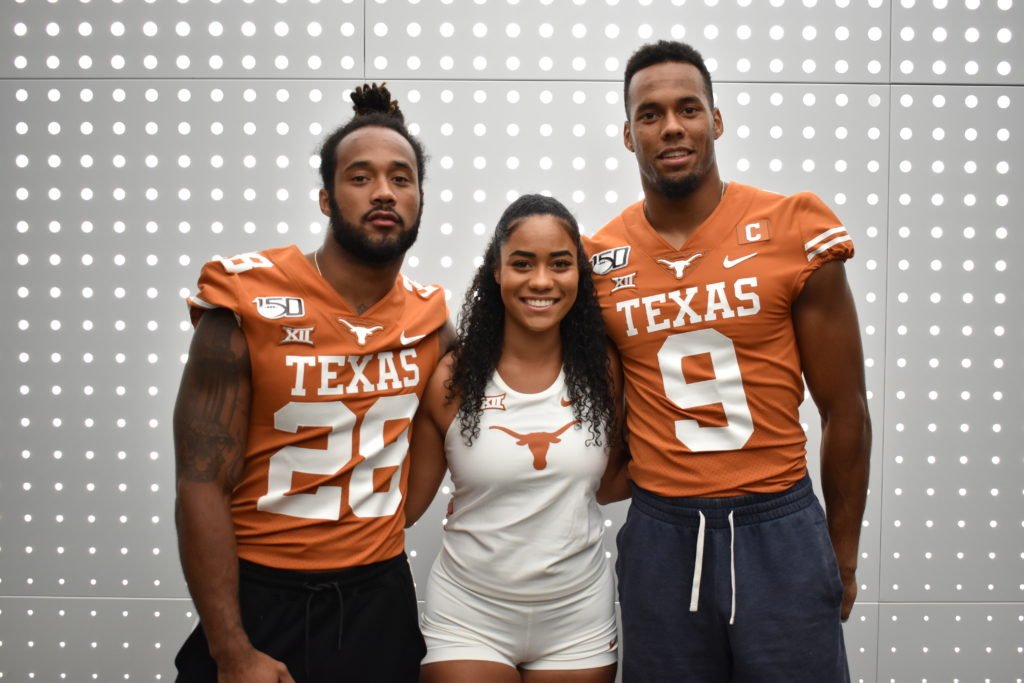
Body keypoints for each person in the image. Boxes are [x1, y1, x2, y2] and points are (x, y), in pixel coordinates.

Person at [586, 41, 872, 682]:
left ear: (716, 119)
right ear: (628, 135)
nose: (672, 127)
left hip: (779, 519)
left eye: (688, 108)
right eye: (650, 114)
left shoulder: (791, 226)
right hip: (663, 528)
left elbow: (845, 407)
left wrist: (842, 555)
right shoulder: (599, 260)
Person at [173, 83, 452, 683]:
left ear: (421, 200)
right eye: (361, 177)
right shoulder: (246, 298)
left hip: (378, 592)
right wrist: (231, 650)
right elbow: (199, 483)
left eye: (402, 178)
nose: (384, 191)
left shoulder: (431, 315)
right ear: (326, 198)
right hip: (261, 590)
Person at [404, 194, 626, 683]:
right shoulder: (452, 379)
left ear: (579, 276)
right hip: (469, 613)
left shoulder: (603, 370)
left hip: (578, 617)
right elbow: (405, 507)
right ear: (497, 272)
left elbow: (608, 485)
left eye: (560, 264)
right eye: (522, 263)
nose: (542, 281)